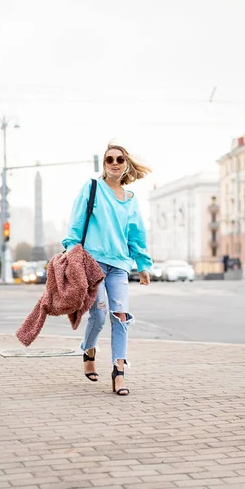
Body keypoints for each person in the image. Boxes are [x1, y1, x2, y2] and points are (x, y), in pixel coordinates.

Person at [62, 143, 153, 396]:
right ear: (104, 164)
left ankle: (119, 372)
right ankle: (88, 348)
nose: (114, 163)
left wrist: (143, 266)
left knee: (121, 316)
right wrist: (71, 252)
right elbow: (75, 224)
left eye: (119, 159)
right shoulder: (92, 189)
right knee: (100, 314)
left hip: (120, 266)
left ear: (126, 165)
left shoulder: (131, 200)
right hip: (93, 263)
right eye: (109, 159)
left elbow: (137, 236)